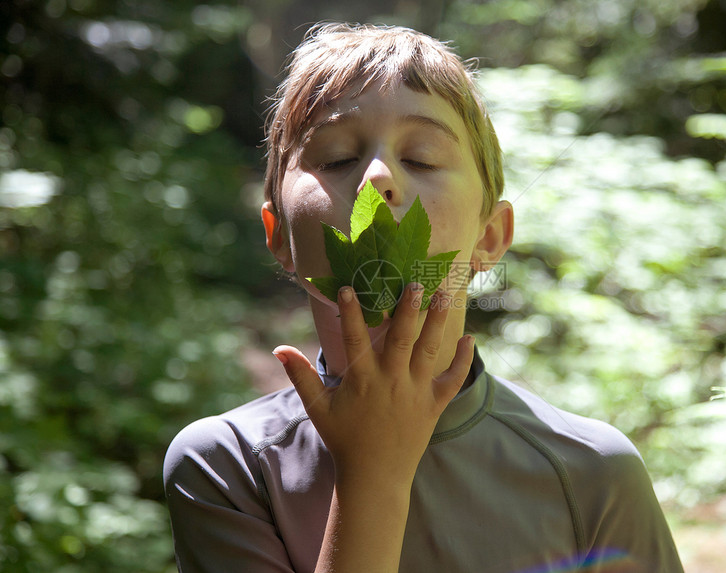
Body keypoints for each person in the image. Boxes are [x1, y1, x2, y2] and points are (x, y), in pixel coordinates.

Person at [163, 22, 684, 573]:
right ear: (279, 236)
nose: (379, 178)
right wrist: (372, 477)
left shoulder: (593, 472)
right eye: (338, 158)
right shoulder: (226, 466)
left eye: (424, 159)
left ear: (490, 237)